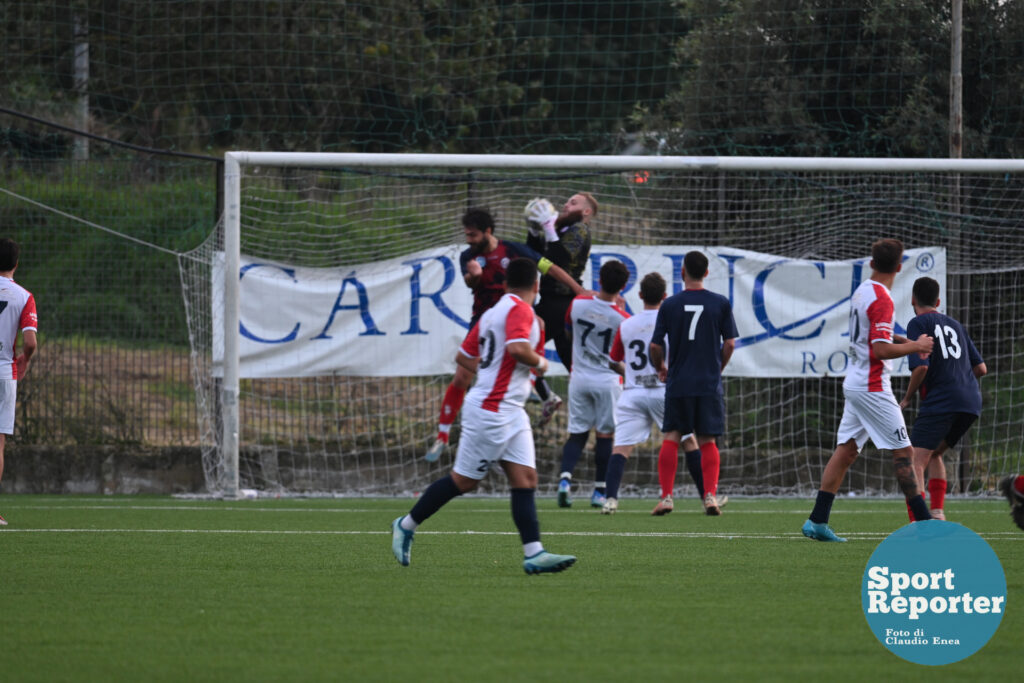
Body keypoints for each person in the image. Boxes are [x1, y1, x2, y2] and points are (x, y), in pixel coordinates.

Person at [391, 257, 576, 574]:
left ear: (505, 284)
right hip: (492, 408)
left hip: (508, 408)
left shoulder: (493, 312)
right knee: (464, 481)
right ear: (537, 285)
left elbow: (463, 355)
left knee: (525, 478)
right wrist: (544, 366)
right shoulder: (519, 310)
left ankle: (534, 553)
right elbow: (518, 350)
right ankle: (406, 525)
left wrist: (491, 371)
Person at [425, 208, 584, 462]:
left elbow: (549, 267)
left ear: (488, 231)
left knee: (540, 324)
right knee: (462, 374)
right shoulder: (469, 255)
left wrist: (578, 290)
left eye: (473, 235)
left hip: (515, 316)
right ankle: (442, 435)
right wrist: (474, 277)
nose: (469, 240)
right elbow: (470, 282)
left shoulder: (514, 251)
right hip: (485, 319)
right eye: (466, 235)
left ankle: (534, 384)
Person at [802, 239, 935, 542]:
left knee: (847, 450)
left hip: (856, 381)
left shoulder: (862, 292)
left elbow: (876, 336)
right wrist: (916, 345)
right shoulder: (883, 299)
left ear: (871, 263)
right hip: (873, 387)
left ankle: (817, 521)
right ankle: (926, 525)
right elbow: (878, 349)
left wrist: (904, 341)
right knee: (904, 452)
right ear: (899, 268)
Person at [601, 272, 700, 514]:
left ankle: (610, 499)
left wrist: (632, 373)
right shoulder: (672, 322)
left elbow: (613, 361)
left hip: (633, 393)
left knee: (621, 447)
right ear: (665, 297)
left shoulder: (626, 324)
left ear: (640, 295)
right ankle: (708, 495)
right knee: (688, 441)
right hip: (664, 391)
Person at [649, 251, 737, 516]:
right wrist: (717, 368)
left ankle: (666, 497)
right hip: (708, 382)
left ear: (682, 272)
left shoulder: (669, 304)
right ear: (706, 273)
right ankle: (710, 495)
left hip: (679, 382)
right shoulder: (720, 303)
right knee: (708, 439)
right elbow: (730, 343)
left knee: (673, 436)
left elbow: (655, 345)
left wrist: (660, 367)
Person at [898, 276, 986, 521]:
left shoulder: (917, 323)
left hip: (942, 400)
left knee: (913, 460)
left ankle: (918, 522)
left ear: (912, 300)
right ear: (938, 301)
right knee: (935, 453)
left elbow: (922, 368)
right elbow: (981, 369)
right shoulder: (955, 325)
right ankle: (937, 512)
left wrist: (906, 399)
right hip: (970, 402)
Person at [554, 260, 630, 509]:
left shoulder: (577, 304)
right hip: (607, 381)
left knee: (577, 433)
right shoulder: (623, 318)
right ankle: (599, 492)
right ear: (623, 287)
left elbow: (567, 333)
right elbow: (623, 354)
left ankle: (565, 481)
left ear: (599, 280)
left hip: (579, 378)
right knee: (605, 435)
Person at [525, 192, 597, 375]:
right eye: (566, 201)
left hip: (560, 301)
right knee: (573, 365)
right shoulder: (562, 229)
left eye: (573, 203)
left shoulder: (580, 228)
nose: (566, 205)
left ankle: (543, 395)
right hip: (554, 300)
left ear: (586, 211)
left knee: (523, 346)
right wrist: (534, 231)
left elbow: (559, 263)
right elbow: (539, 258)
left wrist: (549, 230)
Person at [0, 238, 38, 526]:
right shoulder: (24, 296)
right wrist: (24, 359)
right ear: (16, 263)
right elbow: (30, 342)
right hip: (4, 373)